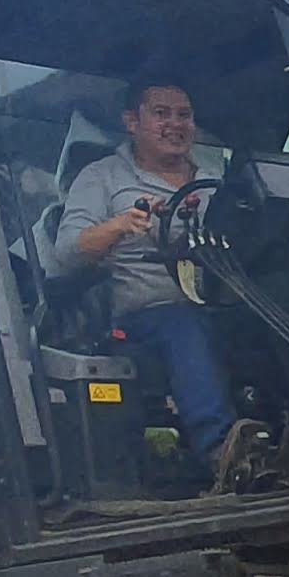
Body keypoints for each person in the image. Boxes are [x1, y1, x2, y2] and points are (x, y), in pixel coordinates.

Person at [46, 78, 256, 489]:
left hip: (226, 302)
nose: (175, 124)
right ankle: (222, 453)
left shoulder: (218, 178)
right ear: (132, 122)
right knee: (184, 325)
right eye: (161, 114)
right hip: (144, 317)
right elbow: (68, 253)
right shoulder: (103, 177)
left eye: (184, 115)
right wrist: (120, 225)